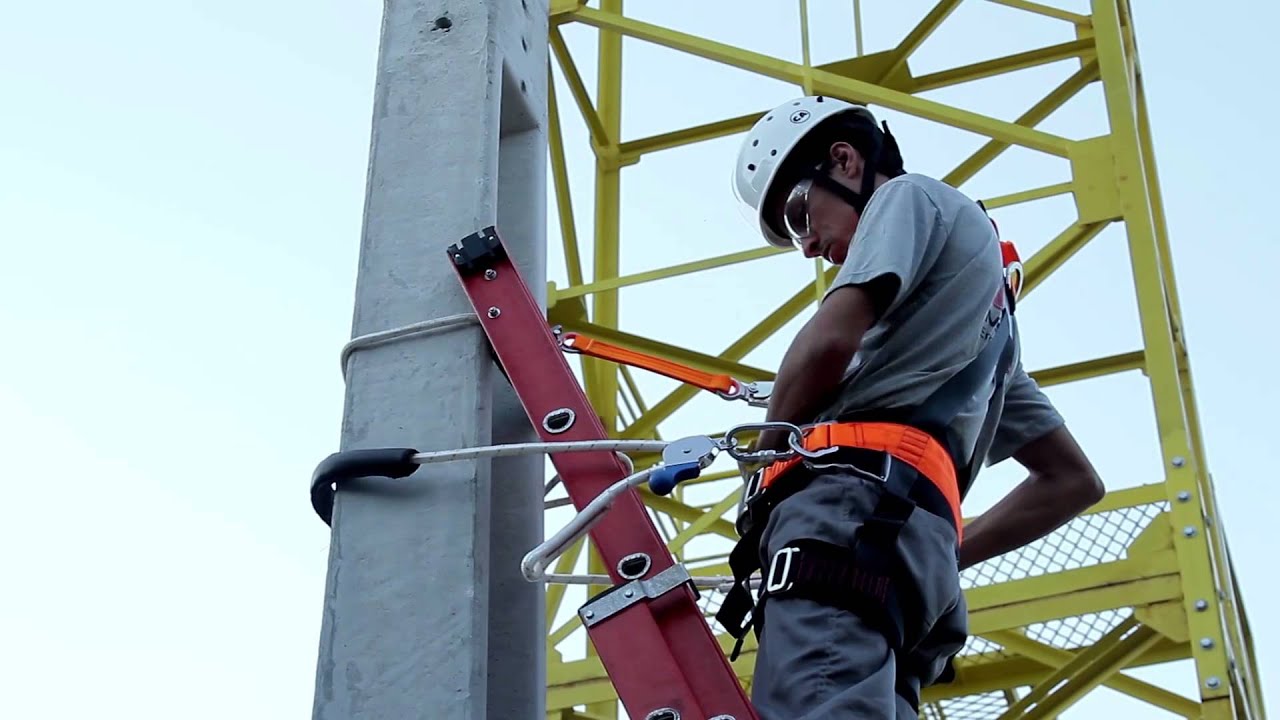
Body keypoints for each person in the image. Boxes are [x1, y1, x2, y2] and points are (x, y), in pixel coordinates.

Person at [715, 95, 1106, 720]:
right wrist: (941, 550)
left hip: (844, 521)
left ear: (843, 162)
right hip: (906, 560)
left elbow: (828, 341)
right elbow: (1072, 481)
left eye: (797, 215)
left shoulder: (906, 198)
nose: (811, 246)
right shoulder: (986, 344)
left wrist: (763, 464)